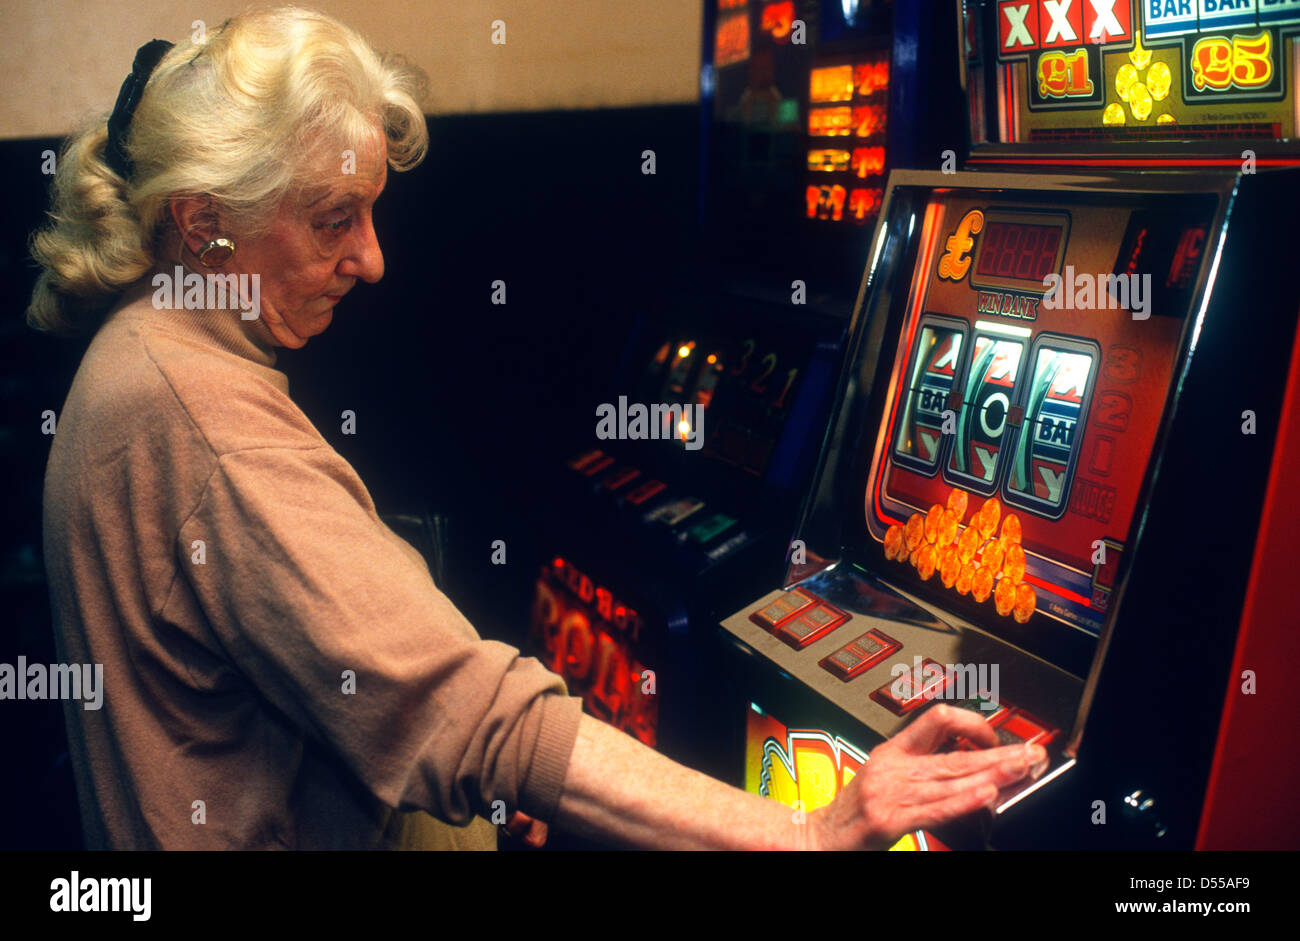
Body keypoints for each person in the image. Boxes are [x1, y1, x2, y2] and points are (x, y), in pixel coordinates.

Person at [29, 7, 1044, 851]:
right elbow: (473, 717)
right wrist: (809, 831)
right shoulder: (205, 426)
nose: (373, 260)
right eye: (336, 218)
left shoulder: (134, 351)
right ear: (206, 219)